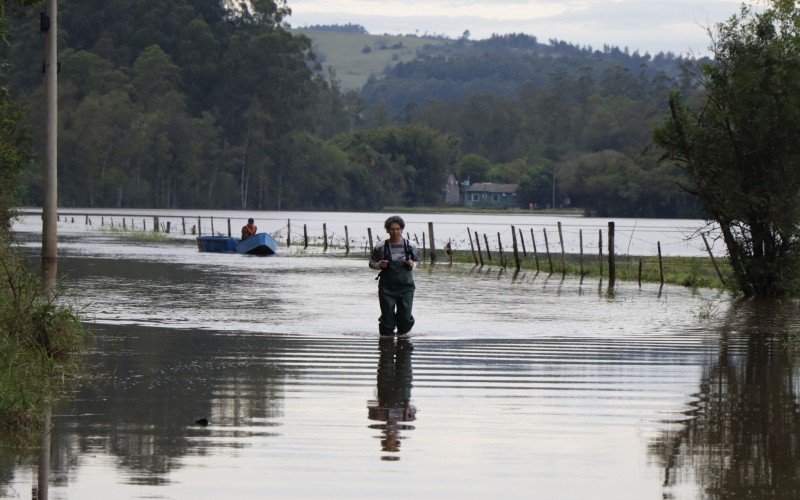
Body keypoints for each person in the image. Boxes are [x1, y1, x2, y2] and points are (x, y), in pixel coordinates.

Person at [369, 216, 420, 337]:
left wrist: (413, 264)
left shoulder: (411, 245)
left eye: (398, 229)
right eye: (392, 229)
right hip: (386, 287)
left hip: (406, 287)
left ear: (402, 229)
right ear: (387, 230)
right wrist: (379, 265)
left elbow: (418, 261)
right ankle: (386, 343)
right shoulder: (380, 246)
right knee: (387, 317)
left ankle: (404, 338)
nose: (395, 232)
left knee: (406, 317)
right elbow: (371, 262)